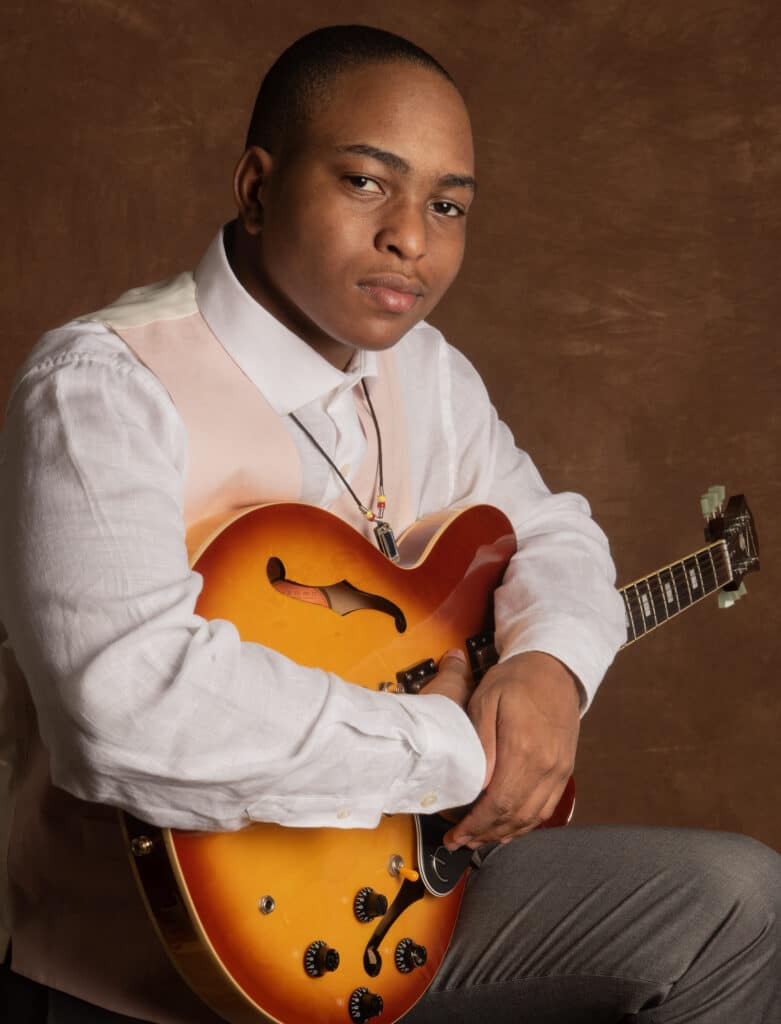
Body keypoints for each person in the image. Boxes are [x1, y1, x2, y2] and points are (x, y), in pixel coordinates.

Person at [0, 24, 778, 1024]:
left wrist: (552, 666)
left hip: (392, 900)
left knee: (732, 904)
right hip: (156, 964)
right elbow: (120, 704)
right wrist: (445, 747)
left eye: (447, 205)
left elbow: (551, 532)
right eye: (367, 182)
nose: (411, 236)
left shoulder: (428, 371)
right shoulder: (101, 386)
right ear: (256, 187)